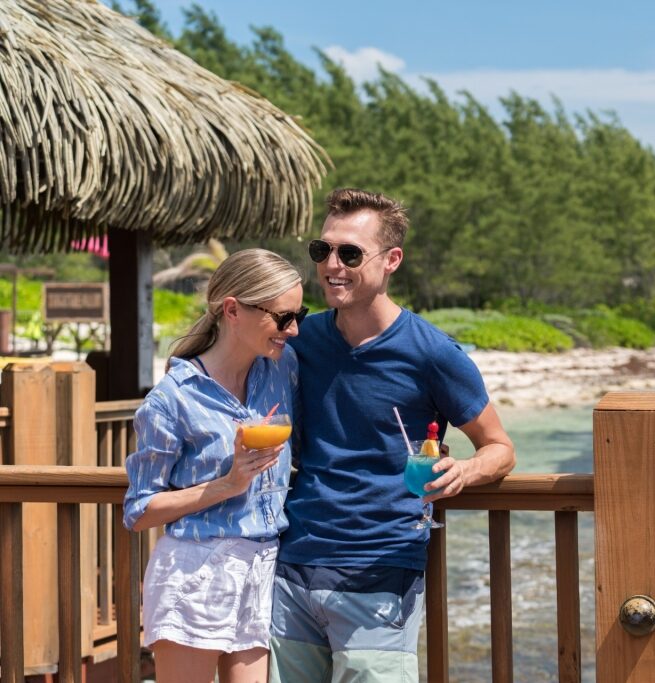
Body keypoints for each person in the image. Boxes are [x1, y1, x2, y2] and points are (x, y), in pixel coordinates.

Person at [270, 188, 516, 682]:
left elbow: (500, 448)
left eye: (350, 253)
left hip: (381, 573)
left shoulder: (433, 353)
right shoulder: (301, 338)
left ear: (392, 260)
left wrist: (464, 469)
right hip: (290, 567)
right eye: (323, 250)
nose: (331, 265)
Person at [123, 249, 309, 683]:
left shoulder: (282, 371)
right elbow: (139, 510)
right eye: (283, 318)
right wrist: (228, 484)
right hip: (195, 570)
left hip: (261, 566)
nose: (294, 329)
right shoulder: (172, 399)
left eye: (299, 314)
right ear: (232, 310)